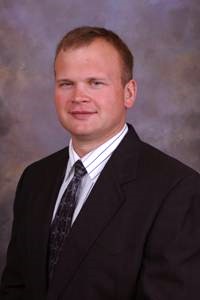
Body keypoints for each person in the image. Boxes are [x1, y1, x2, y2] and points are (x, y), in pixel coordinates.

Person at [0, 26, 200, 300]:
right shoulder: (35, 178)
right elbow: (15, 286)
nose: (78, 97)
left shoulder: (176, 189)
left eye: (95, 82)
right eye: (66, 83)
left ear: (129, 92)